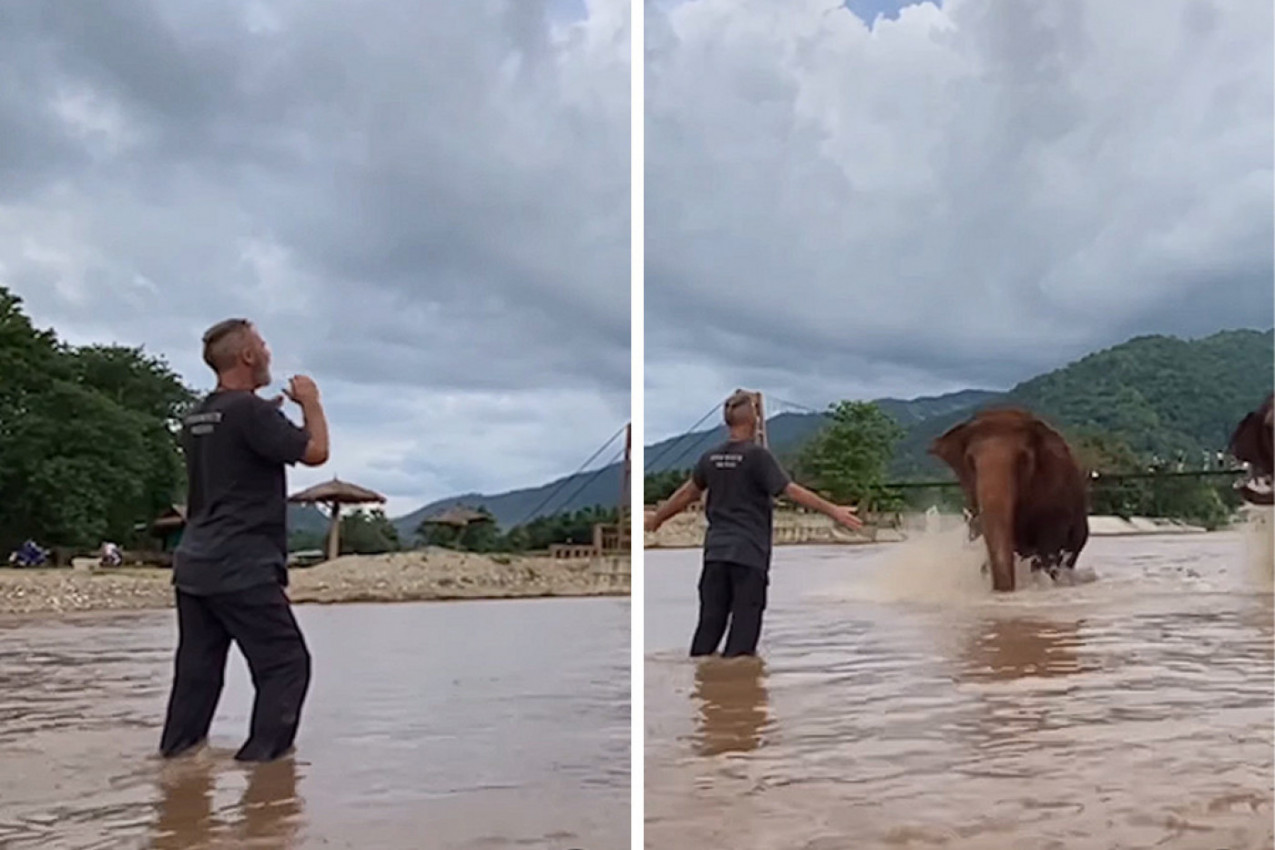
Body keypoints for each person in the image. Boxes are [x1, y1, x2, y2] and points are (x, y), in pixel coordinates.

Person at [159, 318, 330, 762]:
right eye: (263, 345)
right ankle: (263, 772)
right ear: (248, 357)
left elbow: (233, 444)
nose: (269, 352)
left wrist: (268, 415)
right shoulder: (252, 413)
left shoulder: (197, 415)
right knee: (286, 664)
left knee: (197, 674)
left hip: (195, 564)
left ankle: (177, 764)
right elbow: (316, 452)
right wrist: (310, 403)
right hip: (243, 563)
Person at [646, 391, 863, 658]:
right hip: (749, 556)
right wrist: (834, 511)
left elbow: (686, 493)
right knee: (743, 635)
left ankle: (703, 690)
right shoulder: (757, 457)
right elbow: (791, 491)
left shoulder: (709, 458)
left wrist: (656, 519)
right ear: (756, 421)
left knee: (708, 629)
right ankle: (735, 695)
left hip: (715, 556)